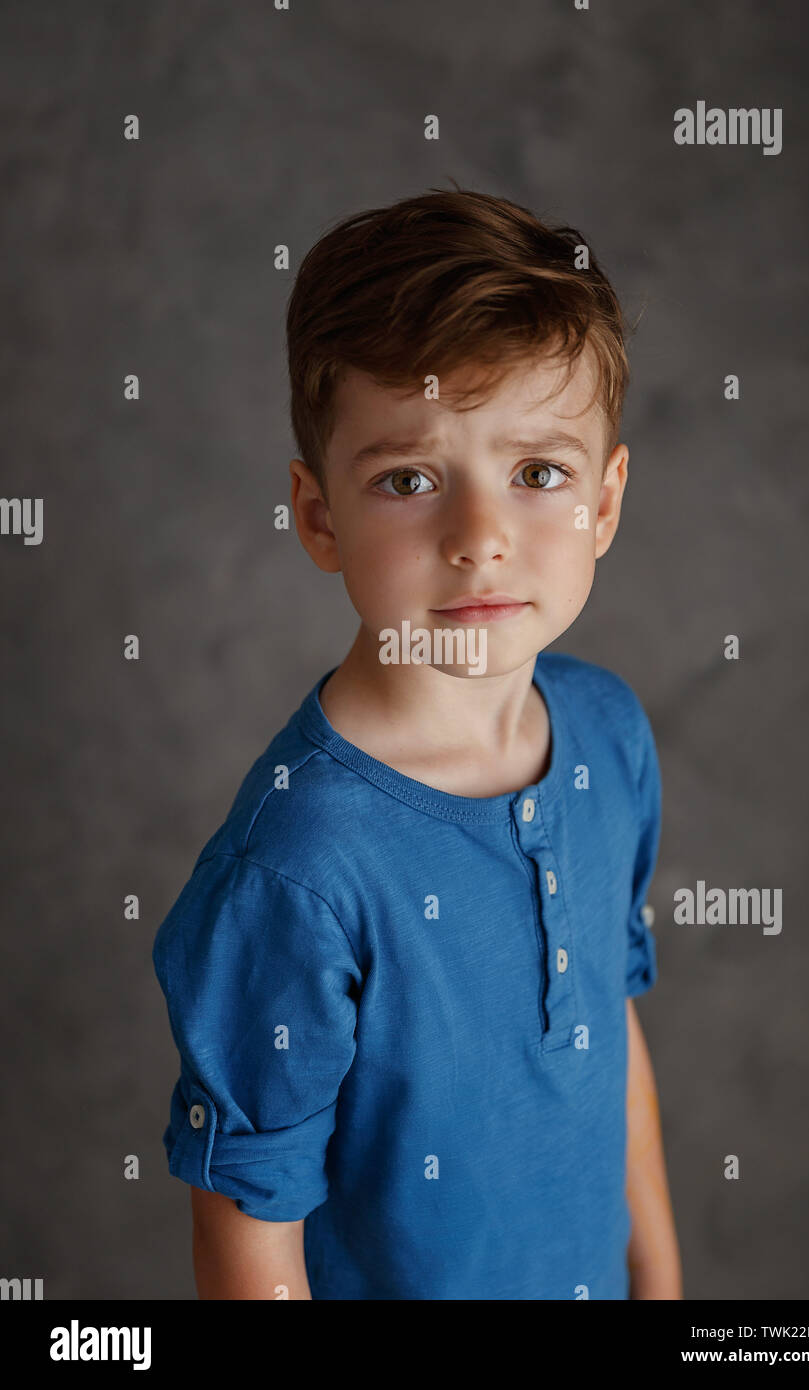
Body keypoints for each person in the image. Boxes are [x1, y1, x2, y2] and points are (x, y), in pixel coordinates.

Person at [152, 186, 682, 1300]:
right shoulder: (295, 868)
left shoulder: (607, 735)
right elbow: (252, 1246)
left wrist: (662, 1289)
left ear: (606, 501)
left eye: (537, 472)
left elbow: (609, 1045)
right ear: (317, 517)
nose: (479, 540)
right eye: (409, 479)